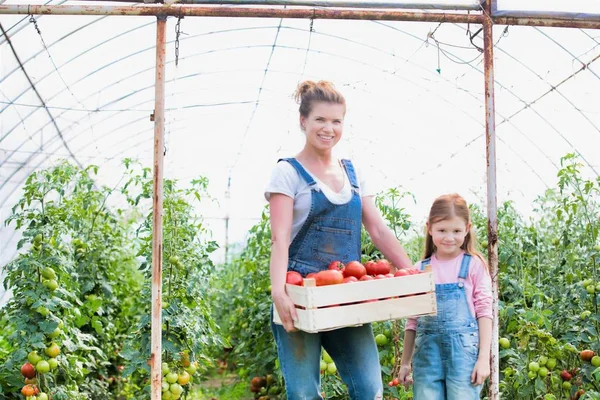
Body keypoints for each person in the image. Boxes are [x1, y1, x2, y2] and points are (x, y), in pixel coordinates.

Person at [265, 80, 413, 400]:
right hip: (299, 292)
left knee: (369, 389)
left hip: (347, 292)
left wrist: (410, 272)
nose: (328, 128)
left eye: (336, 121)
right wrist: (279, 292)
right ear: (303, 121)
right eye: (320, 119)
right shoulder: (288, 173)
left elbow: (378, 230)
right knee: (304, 394)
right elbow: (279, 240)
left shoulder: (353, 173)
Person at [397, 193, 492, 399]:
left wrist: (484, 358)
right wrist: (405, 363)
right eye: (442, 230)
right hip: (427, 357)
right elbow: (412, 321)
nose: (449, 237)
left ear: (467, 229)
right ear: (429, 228)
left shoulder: (474, 265)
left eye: (456, 231)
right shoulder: (419, 270)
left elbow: (485, 312)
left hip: (464, 357)